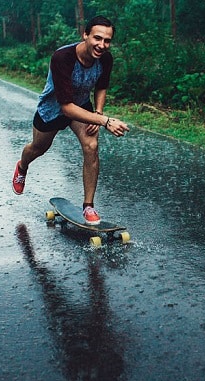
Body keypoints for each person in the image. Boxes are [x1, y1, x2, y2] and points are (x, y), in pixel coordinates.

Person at [12, 15, 129, 225]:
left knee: (91, 145)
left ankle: (88, 206)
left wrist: (99, 113)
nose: (102, 45)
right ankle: (22, 166)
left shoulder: (105, 59)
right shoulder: (62, 57)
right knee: (38, 148)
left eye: (107, 41)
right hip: (53, 109)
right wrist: (106, 121)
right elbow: (66, 107)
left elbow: (102, 86)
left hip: (81, 106)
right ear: (85, 35)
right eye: (97, 38)